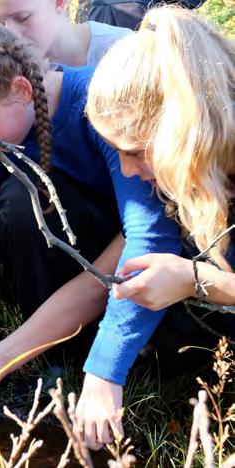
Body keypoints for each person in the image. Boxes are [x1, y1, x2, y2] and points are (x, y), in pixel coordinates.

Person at [0, 21, 180, 415]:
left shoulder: (100, 105)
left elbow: (149, 237)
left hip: (146, 251)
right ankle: (60, 357)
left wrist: (105, 370)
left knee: (20, 199)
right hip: (85, 258)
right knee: (17, 203)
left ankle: (113, 356)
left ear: (21, 90)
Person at [77, 6, 234, 449]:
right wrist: (103, 371)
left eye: (135, 152)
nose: (128, 171)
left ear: (184, 128)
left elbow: (193, 277)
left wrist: (196, 280)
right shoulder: (191, 164)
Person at [0, 0, 131, 67]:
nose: (10, 34)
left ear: (59, 3)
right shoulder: (4, 66)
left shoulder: (123, 49)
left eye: (22, 18)